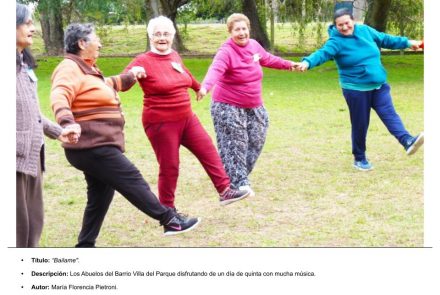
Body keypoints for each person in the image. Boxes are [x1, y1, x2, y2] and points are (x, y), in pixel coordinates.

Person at [50, 23, 200, 246]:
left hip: (95, 144)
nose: (100, 43)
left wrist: (130, 76)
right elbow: (60, 94)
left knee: (100, 196)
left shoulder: (86, 69)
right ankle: (169, 220)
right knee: (131, 177)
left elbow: (106, 84)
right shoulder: (69, 67)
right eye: (96, 38)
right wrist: (67, 123)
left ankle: (85, 245)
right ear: (82, 43)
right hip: (92, 144)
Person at [123, 16, 249, 211]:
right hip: (160, 123)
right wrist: (132, 75)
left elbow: (184, 73)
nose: (162, 38)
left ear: (172, 36)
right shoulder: (143, 61)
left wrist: (198, 87)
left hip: (186, 118)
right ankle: (168, 212)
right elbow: (124, 83)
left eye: (166, 34)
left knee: (208, 150)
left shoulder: (173, 55)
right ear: (150, 37)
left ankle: (225, 191)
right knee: (170, 167)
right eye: (157, 34)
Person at [295, 8, 424, 171]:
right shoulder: (336, 42)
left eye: (347, 23)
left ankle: (407, 141)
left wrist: (407, 43)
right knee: (360, 123)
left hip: (379, 86)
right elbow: (322, 54)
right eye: (340, 25)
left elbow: (386, 39)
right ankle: (360, 158)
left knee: (389, 114)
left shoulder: (365, 31)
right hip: (356, 90)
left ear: (353, 21)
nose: (344, 27)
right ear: (335, 26)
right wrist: (307, 62)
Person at [198, 13, 297, 196]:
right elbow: (216, 69)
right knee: (235, 143)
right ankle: (238, 182)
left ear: (248, 29)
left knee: (257, 138)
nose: (242, 33)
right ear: (230, 32)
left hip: (254, 104)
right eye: (237, 30)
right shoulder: (226, 51)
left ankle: (232, 174)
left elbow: (268, 59)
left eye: (244, 29)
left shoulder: (254, 46)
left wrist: (289, 64)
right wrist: (205, 87)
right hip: (227, 105)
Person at [16, 3, 81, 247]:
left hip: (32, 158)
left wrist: (59, 131)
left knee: (32, 226)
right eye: (27, 23)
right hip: (14, 162)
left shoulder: (22, 65)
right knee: (17, 233)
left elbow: (31, 113)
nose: (33, 28)